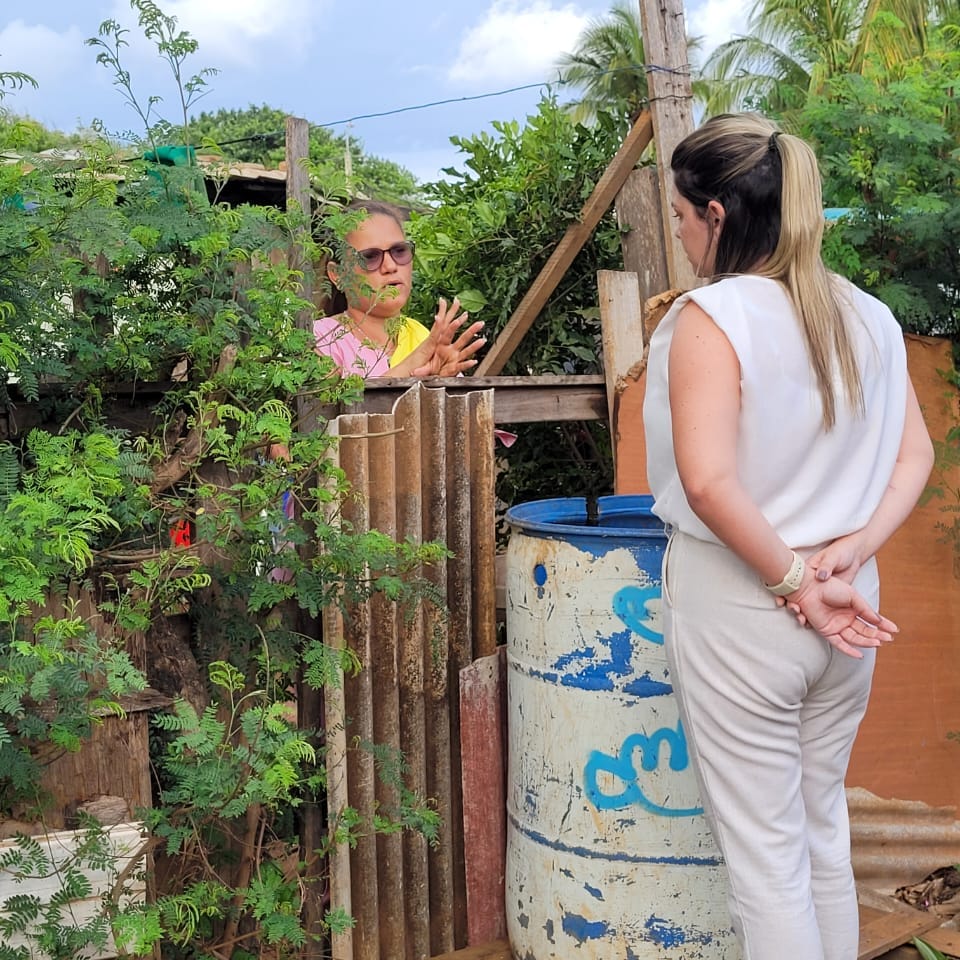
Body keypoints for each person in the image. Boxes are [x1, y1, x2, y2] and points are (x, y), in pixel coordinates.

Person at [641, 113, 934, 960]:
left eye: (681, 215)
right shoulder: (868, 314)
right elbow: (913, 454)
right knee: (820, 832)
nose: (680, 231)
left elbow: (708, 482)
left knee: (767, 863)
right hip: (850, 607)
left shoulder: (714, 315)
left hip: (751, 607)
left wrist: (797, 581)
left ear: (719, 214)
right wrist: (853, 548)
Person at [316, 199, 485, 378]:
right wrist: (415, 361)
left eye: (399, 251)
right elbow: (338, 405)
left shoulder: (421, 337)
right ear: (337, 274)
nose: (390, 266)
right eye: (370, 257)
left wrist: (442, 386)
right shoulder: (320, 340)